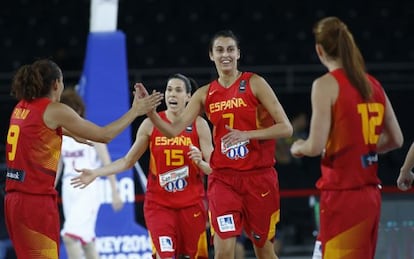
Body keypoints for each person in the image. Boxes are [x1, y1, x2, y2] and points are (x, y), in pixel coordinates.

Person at [144, 30, 293, 259]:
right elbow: (174, 130)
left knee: (263, 250)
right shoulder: (205, 93)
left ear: (238, 53)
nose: (226, 55)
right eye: (220, 50)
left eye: (230, 49)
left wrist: (248, 135)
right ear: (211, 56)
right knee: (223, 251)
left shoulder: (255, 83)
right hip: (223, 179)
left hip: (259, 177)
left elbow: (286, 128)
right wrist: (151, 114)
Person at [4, 58, 163, 258]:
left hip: (13, 199)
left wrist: (70, 133)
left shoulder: (21, 107)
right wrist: (136, 111)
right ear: (56, 84)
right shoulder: (54, 109)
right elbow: (105, 135)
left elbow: (36, 130)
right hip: (35, 202)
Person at [290, 17, 403, 259]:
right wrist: (361, 147)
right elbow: (396, 139)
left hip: (343, 195)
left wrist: (298, 147)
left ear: (319, 50)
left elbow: (315, 145)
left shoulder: (325, 85)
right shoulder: (373, 84)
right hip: (371, 195)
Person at [71, 74, 214, 259]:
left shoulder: (199, 125)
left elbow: (214, 168)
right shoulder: (149, 125)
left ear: (188, 97)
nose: (172, 94)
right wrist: (96, 173)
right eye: (169, 89)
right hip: (159, 206)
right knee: (165, 256)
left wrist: (201, 162)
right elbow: (126, 161)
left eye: (178, 90)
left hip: (191, 206)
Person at [56, 88, 124, 259]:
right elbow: (57, 167)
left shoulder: (92, 131)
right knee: (87, 241)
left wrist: (115, 192)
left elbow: (107, 162)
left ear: (78, 110)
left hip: (88, 189)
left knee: (69, 236)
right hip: (69, 189)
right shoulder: (59, 135)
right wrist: (48, 189)